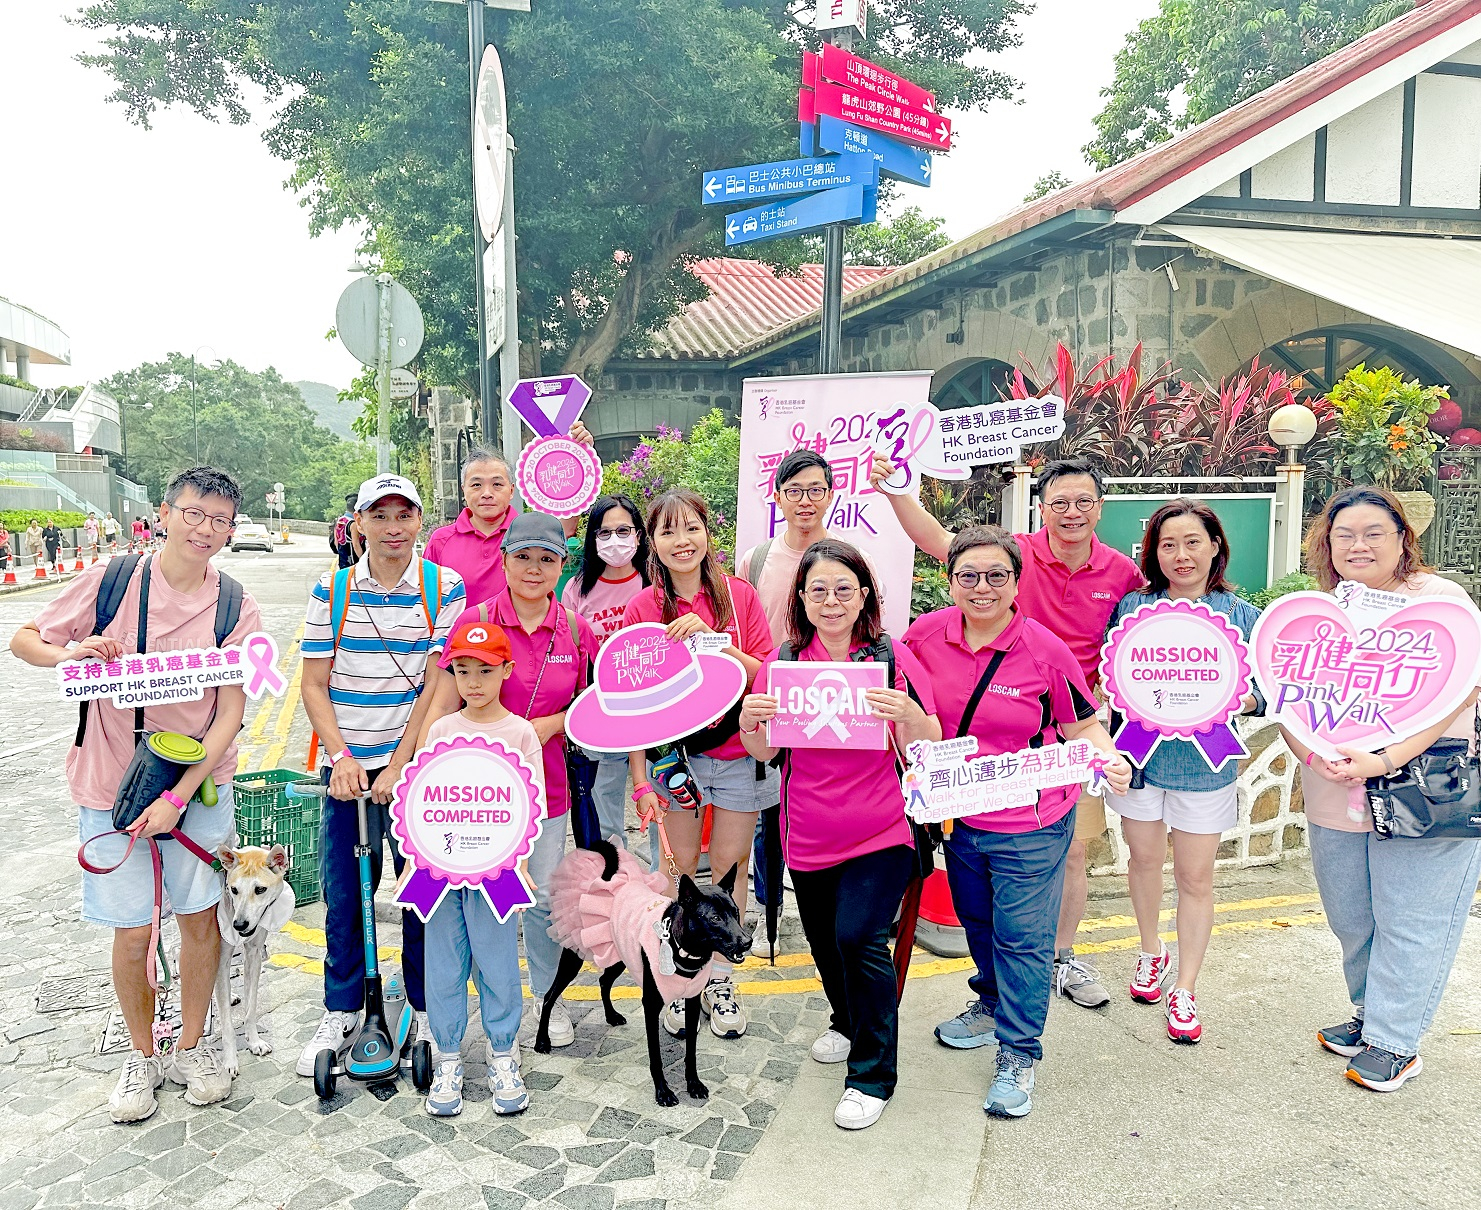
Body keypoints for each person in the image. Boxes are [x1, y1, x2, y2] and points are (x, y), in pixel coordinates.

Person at [10, 466, 260, 1123]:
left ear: (231, 531)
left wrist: (177, 797)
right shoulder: (113, 580)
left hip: (197, 789)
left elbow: (230, 713)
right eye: (194, 513)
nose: (205, 529)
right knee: (130, 931)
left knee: (199, 919)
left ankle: (193, 1044)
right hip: (109, 783)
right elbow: (25, 639)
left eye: (220, 520)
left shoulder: (234, 604)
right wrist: (73, 656)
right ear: (164, 513)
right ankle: (142, 1054)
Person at [872, 453, 1141, 1008]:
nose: (1071, 512)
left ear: (1100, 507)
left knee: (1066, 859)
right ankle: (1002, 989)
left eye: (1083, 502)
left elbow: (1141, 637)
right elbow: (940, 541)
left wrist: (1108, 742)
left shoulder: (1121, 573)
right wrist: (898, 489)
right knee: (978, 902)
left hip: (1062, 738)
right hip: (973, 769)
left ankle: (1053, 965)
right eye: (1059, 502)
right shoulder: (1003, 558)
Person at [902, 526, 1131, 1118]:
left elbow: (1081, 724)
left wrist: (1108, 757)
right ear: (948, 580)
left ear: (1016, 582)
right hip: (959, 819)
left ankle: (1018, 1052)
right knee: (978, 924)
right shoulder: (923, 637)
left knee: (1022, 939)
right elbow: (898, 705)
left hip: (1032, 820)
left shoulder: (1044, 650)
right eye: (968, 576)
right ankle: (991, 1000)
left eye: (997, 576)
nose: (982, 588)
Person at [1280, 486, 1481, 1093]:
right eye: (1344, 534)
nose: (1358, 545)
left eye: (1374, 533)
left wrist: (1386, 758)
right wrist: (1316, 755)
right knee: (1354, 914)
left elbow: (1462, 692)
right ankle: (1372, 1015)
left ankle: (1396, 1041)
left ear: (1402, 540)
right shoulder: (1319, 609)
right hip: (1336, 787)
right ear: (1327, 544)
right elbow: (1293, 700)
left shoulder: (1440, 602)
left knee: (1412, 915)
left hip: (1426, 783)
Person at [738, 539, 940, 1131]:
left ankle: (871, 1074)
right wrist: (752, 723)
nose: (831, 601)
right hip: (807, 833)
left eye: (843, 590)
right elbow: (766, 751)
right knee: (826, 943)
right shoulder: (783, 664)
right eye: (818, 590)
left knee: (858, 939)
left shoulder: (891, 658)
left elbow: (927, 746)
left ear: (865, 596)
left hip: (881, 831)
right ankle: (847, 1019)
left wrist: (905, 713)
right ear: (801, 597)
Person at [297, 474, 467, 1079]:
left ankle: (422, 1005)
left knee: (423, 896)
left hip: (414, 771)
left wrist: (401, 764)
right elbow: (313, 683)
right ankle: (342, 1008)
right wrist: (343, 759)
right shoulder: (332, 589)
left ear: (420, 520)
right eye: (381, 515)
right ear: (360, 521)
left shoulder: (442, 587)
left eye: (405, 515)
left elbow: (437, 684)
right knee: (344, 893)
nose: (394, 527)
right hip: (345, 770)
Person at [425, 511, 600, 1050]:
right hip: (475, 797)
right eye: (522, 557)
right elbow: (442, 703)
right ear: (503, 560)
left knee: (544, 896)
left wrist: (546, 725)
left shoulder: (576, 629)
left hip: (546, 792)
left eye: (546, 559)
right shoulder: (475, 621)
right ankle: (487, 1008)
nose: (533, 569)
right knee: (482, 902)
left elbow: (591, 706)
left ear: (562, 566)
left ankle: (548, 997)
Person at [1104, 499, 1261, 1044]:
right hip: (1139, 763)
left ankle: (1186, 986)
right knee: (1144, 861)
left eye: (1193, 542)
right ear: (1153, 553)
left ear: (1216, 546)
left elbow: (1268, 693)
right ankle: (1151, 951)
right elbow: (1114, 684)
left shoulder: (1242, 617)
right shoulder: (1131, 608)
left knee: (1196, 879)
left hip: (1205, 770)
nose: (1181, 555)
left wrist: (1239, 701)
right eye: (1168, 544)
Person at [626, 489, 774, 1041]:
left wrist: (715, 644)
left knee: (732, 868)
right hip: (674, 756)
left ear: (708, 531)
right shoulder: (644, 607)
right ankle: (673, 974)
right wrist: (640, 779)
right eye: (666, 532)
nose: (680, 541)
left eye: (690, 527)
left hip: (739, 752)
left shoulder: (739, 597)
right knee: (678, 869)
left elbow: (763, 673)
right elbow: (633, 700)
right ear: (653, 543)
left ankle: (720, 980)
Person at [420, 620, 544, 1118]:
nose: (472, 682)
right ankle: (448, 1056)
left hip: (497, 873)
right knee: (444, 963)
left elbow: (528, 804)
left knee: (496, 963)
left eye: (485, 671)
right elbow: (426, 800)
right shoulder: (443, 729)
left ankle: (502, 1053)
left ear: (506, 671)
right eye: (462, 671)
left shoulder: (519, 733)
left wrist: (522, 861)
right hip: (442, 870)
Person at [560, 493, 651, 845]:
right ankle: (614, 885)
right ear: (592, 538)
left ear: (639, 535)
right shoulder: (576, 590)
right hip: (603, 713)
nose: (615, 541)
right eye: (604, 532)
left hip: (655, 714)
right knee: (606, 812)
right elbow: (571, 654)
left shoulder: (656, 584)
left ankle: (667, 888)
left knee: (662, 802)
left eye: (623, 531)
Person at [330, 492, 362, 570]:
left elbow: (336, 542)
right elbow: (356, 545)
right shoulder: (353, 524)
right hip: (353, 562)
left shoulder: (340, 520)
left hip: (343, 560)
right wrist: (363, 560)